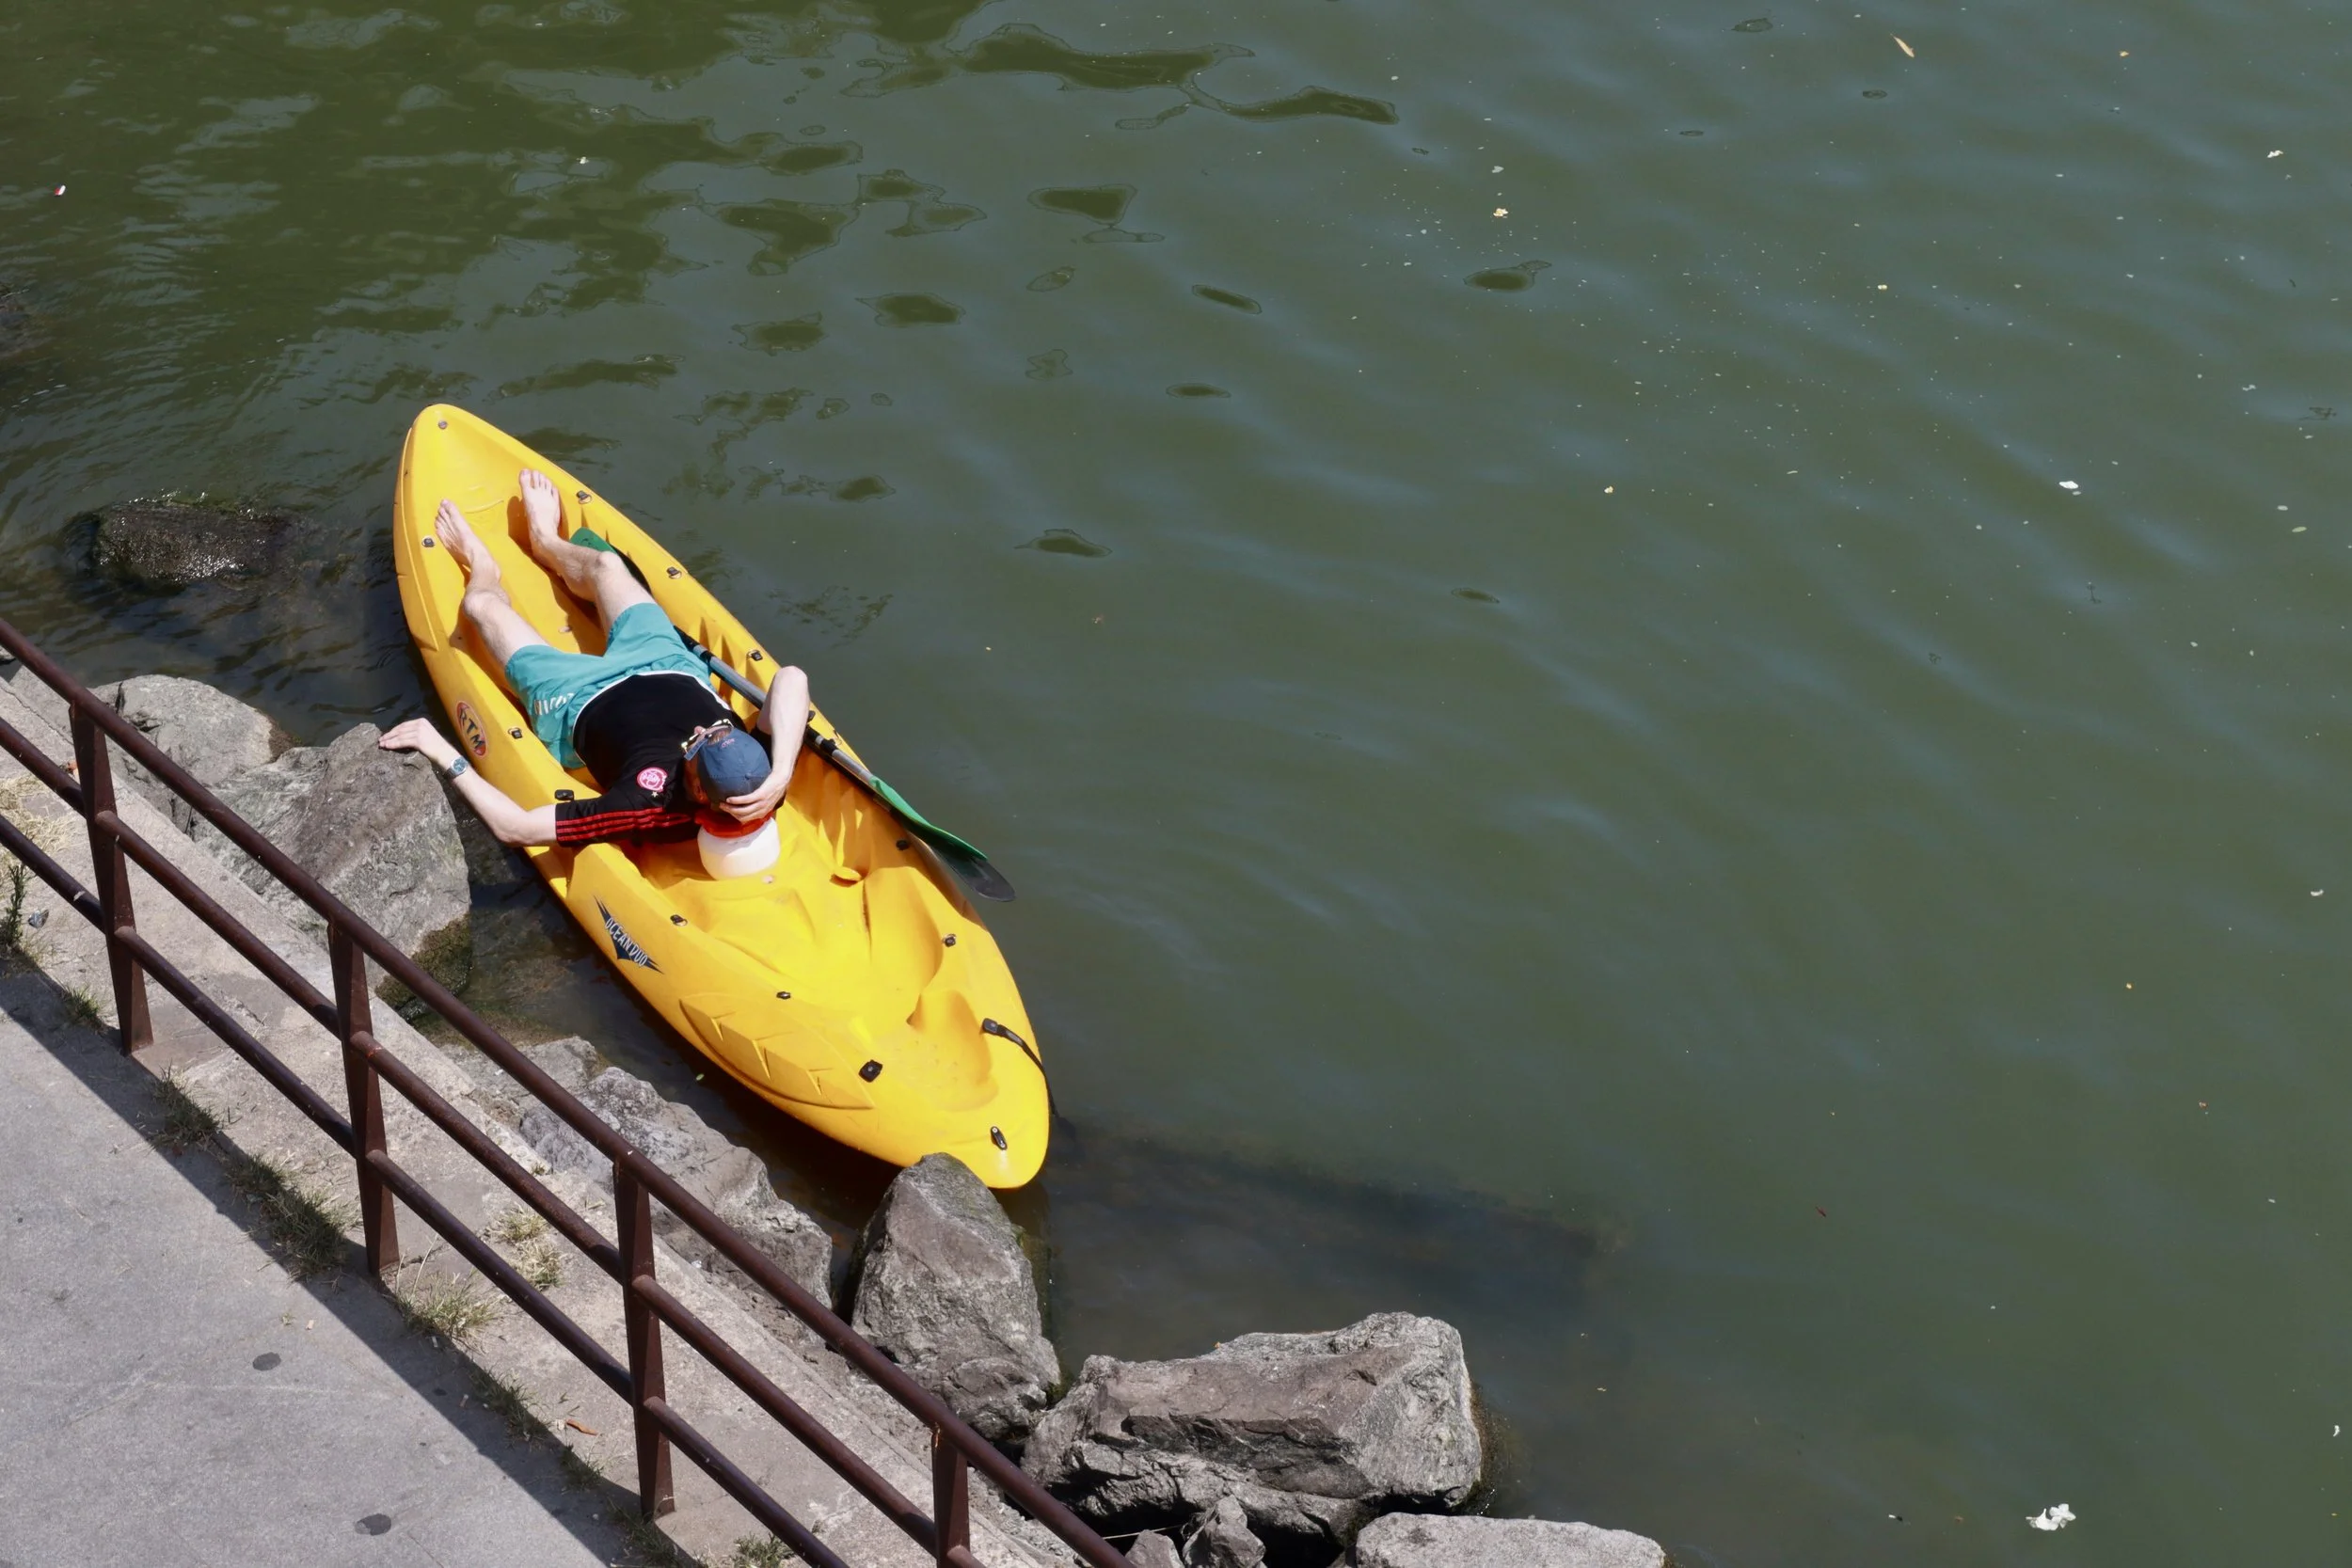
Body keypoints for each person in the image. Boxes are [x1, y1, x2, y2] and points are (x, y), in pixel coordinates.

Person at [378, 468, 809, 856]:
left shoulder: (647, 806)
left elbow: (516, 828)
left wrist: (441, 751)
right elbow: (792, 678)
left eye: (700, 744)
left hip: (575, 697)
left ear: (698, 791)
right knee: (606, 564)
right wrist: (782, 775)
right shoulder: (760, 779)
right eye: (719, 730)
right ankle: (546, 541)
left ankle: (481, 565)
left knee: (480, 609)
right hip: (664, 660)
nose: (702, 730)